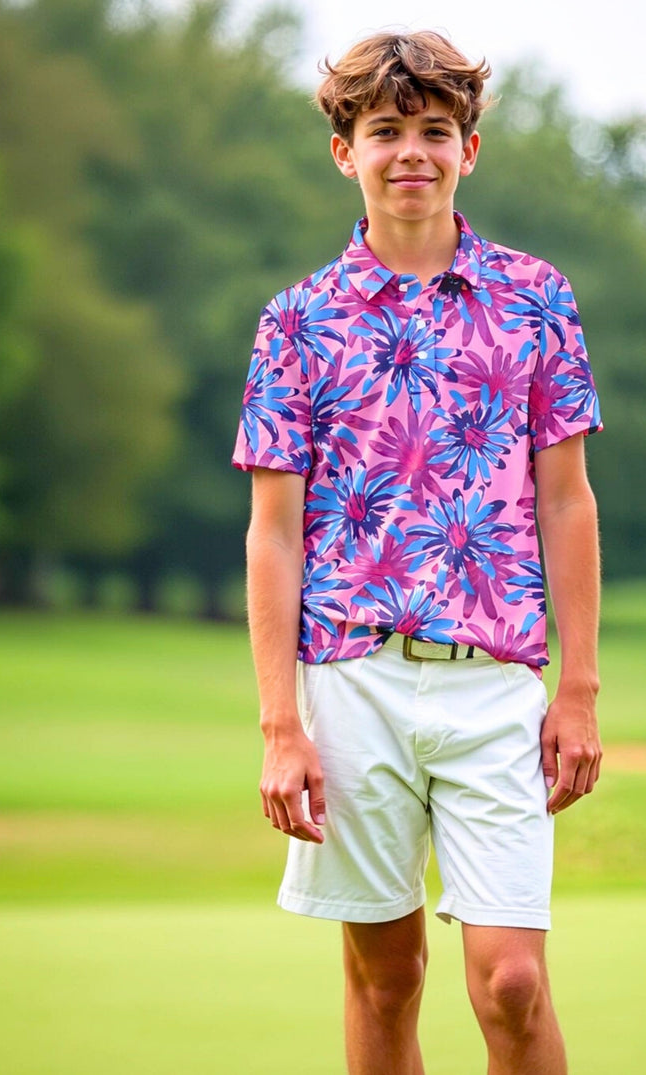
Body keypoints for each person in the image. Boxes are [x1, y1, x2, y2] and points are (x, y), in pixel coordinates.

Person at [232, 29, 603, 1075]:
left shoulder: (537, 300)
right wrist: (278, 725)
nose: (411, 152)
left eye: (434, 130)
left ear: (468, 150)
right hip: (349, 683)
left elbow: (566, 505)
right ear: (342, 151)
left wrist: (576, 691)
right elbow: (273, 530)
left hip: (494, 688)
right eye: (384, 130)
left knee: (512, 984)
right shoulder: (295, 322)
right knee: (384, 978)